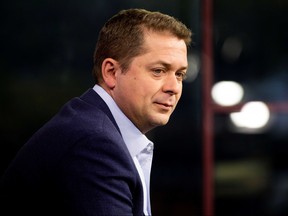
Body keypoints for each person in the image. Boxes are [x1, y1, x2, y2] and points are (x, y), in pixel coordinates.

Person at [0, 8, 192, 216]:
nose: (174, 87)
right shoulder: (94, 142)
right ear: (111, 72)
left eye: (180, 74)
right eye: (158, 71)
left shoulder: (95, 125)